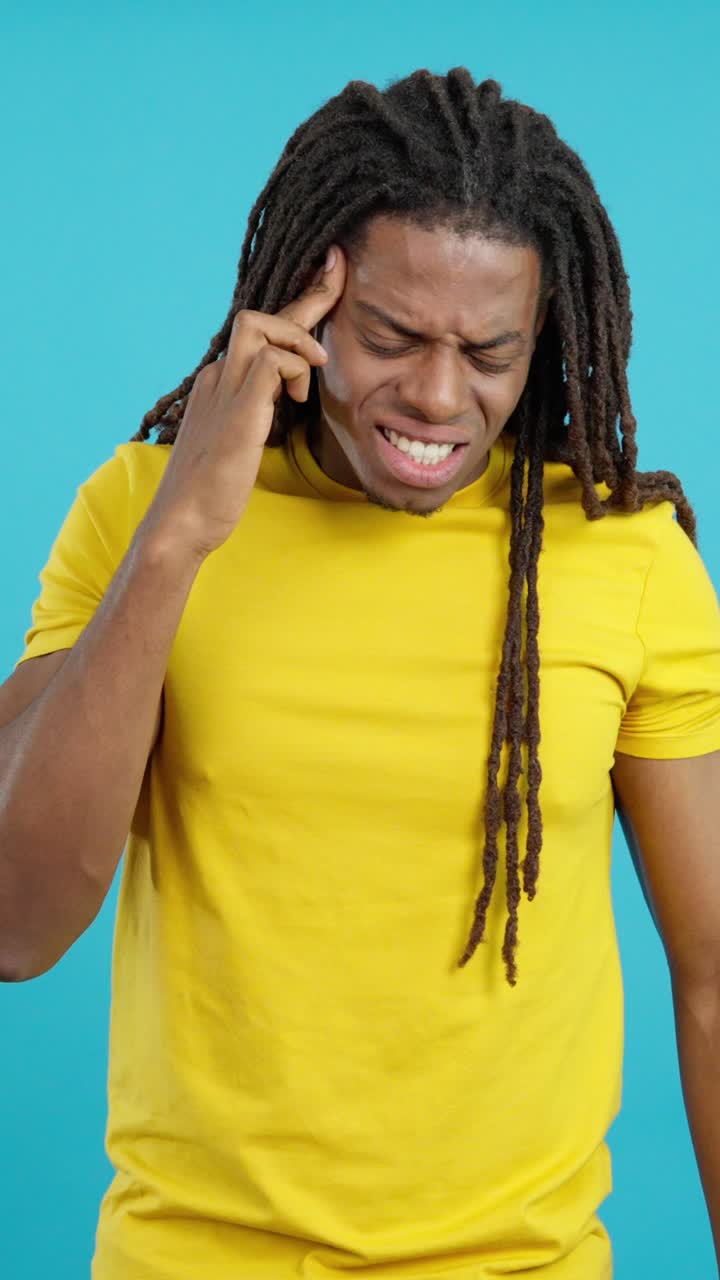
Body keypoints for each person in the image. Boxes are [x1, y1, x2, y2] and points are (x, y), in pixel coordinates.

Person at [1, 66, 719, 1280]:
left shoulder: (622, 553)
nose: (440, 396)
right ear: (307, 301)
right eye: (390, 337)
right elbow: (15, 920)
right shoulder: (142, 512)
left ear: (544, 340)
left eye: (489, 351)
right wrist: (179, 536)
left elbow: (712, 978)